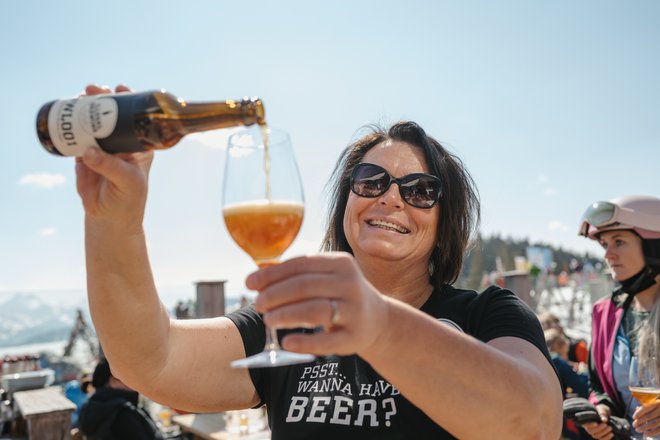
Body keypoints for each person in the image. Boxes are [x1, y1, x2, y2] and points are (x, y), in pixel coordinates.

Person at [74, 84, 562, 439]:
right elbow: (150, 360)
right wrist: (113, 220)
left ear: (445, 222)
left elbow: (534, 423)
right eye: (371, 180)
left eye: (420, 190)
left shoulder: (489, 314)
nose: (391, 199)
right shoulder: (289, 327)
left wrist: (380, 325)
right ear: (347, 203)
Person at [577, 195, 660, 440]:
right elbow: (599, 386)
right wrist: (602, 411)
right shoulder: (604, 314)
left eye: (619, 241)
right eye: (604, 244)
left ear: (653, 246)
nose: (608, 255)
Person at [78, 358, 165, 440]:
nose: (135, 383)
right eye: (128, 377)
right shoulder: (122, 411)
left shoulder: (89, 408)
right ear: (113, 381)